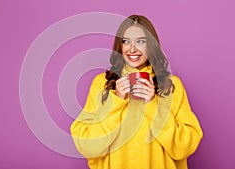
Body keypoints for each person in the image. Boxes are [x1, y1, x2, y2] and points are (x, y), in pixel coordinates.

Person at [70, 14, 203, 169]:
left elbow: (184, 147)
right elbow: (87, 145)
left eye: (141, 41)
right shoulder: (102, 84)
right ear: (120, 46)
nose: (132, 49)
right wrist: (116, 101)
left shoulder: (171, 86)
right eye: (126, 41)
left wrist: (153, 105)